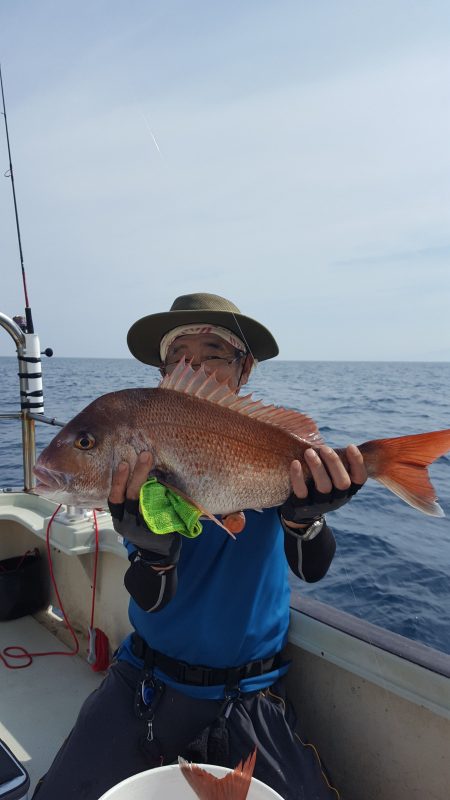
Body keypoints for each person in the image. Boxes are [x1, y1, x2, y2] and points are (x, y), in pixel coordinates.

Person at [33, 293, 367, 800]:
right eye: (178, 354)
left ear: (245, 368)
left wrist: (306, 519)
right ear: (164, 370)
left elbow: (312, 569)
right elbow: (151, 598)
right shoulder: (137, 463)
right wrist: (152, 550)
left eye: (213, 350)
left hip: (251, 694)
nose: (193, 363)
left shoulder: (267, 446)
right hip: (143, 681)